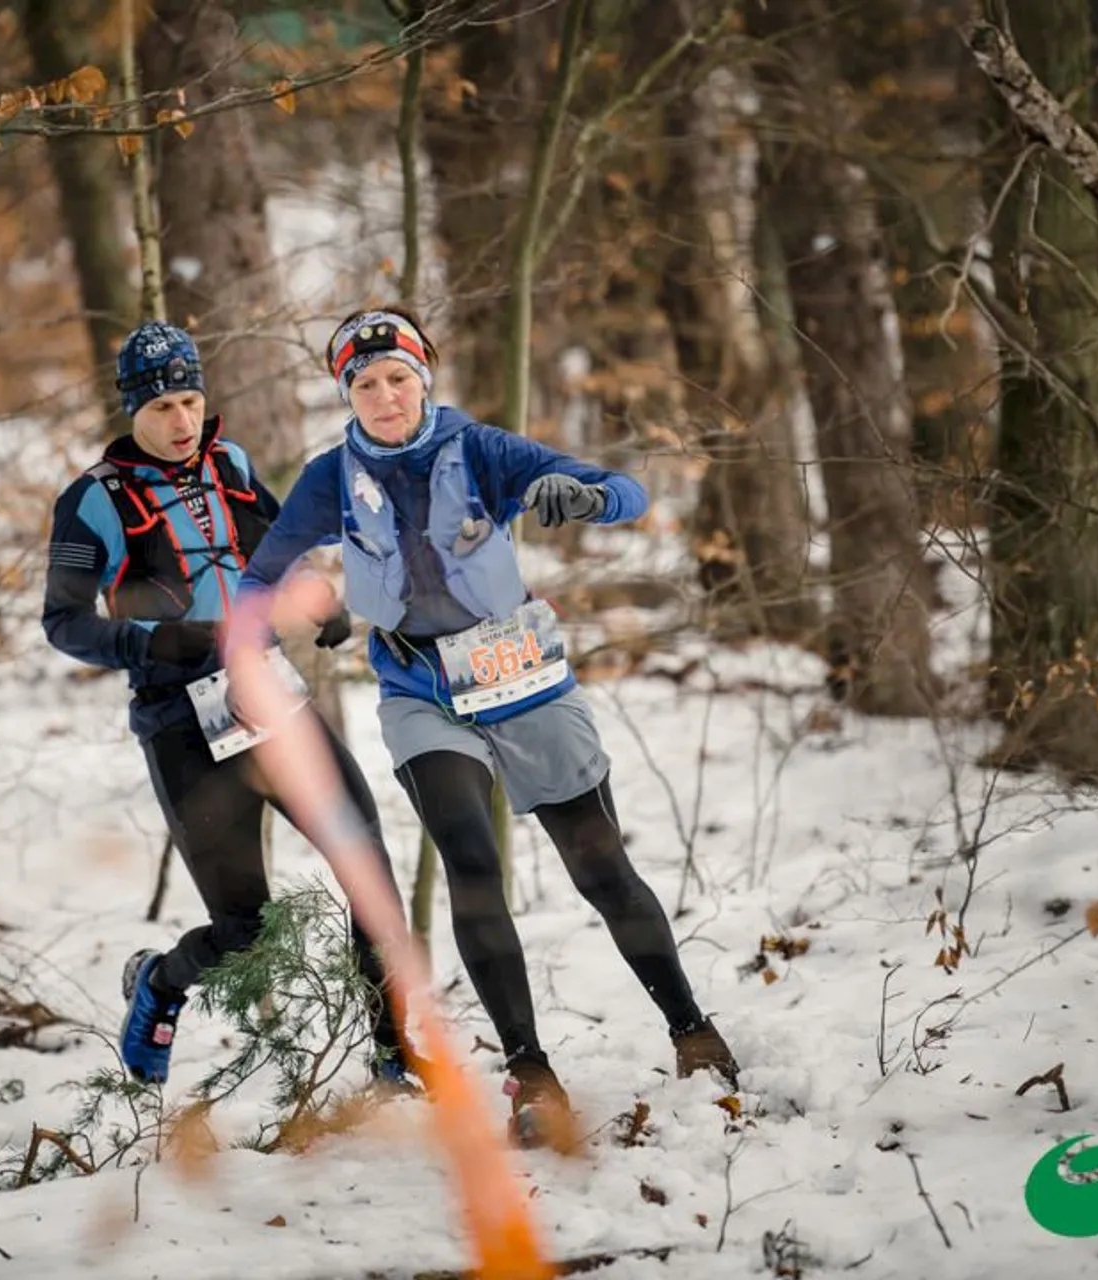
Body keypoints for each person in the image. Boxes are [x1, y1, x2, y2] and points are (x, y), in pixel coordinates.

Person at [235, 305, 739, 1146]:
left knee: (601, 867)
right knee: (471, 863)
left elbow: (630, 494)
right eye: (366, 384)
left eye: (398, 378)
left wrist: (585, 495)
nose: (385, 397)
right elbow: (260, 576)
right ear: (347, 395)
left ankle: (693, 1031)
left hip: (521, 675)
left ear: (423, 378)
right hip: (420, 690)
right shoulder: (331, 479)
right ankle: (531, 1076)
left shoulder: (482, 450)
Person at [42, 320, 415, 1093]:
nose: (182, 421)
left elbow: (275, 549)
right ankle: (159, 983)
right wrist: (155, 642)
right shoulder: (94, 500)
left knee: (368, 867)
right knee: (246, 933)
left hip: (269, 697)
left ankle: (394, 1057)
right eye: (161, 408)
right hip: (182, 723)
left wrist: (313, 594)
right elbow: (64, 622)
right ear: (132, 410)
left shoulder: (231, 465)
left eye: (190, 401)